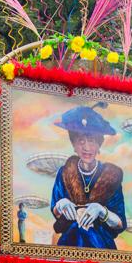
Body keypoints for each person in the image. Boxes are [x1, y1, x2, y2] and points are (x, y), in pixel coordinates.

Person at [51, 106, 126, 249]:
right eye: (81, 140)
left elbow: (120, 223)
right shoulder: (64, 172)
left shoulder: (112, 176)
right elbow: (55, 212)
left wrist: (101, 211)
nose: (87, 147)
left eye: (92, 140)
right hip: (69, 245)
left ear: (99, 144)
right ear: (73, 144)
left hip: (101, 246)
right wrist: (61, 204)